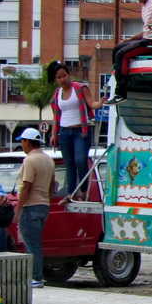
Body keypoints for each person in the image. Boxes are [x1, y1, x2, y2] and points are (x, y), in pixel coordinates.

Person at [48, 61, 103, 200]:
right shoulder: (57, 93)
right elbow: (56, 115)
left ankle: (83, 191)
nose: (62, 79)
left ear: (69, 74)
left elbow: (91, 104)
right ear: (56, 79)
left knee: (80, 160)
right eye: (59, 77)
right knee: (69, 163)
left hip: (81, 131)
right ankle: (70, 193)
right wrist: (54, 133)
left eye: (64, 76)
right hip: (64, 132)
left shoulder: (80, 88)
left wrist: (100, 103)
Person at [13, 128, 55, 288]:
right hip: (43, 204)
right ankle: (31, 276)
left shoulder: (30, 161)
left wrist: (18, 208)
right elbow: (52, 185)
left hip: (31, 206)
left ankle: (35, 277)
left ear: (28, 142)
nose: (21, 145)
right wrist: (47, 200)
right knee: (32, 242)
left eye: (22, 141)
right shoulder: (48, 159)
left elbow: (26, 186)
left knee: (32, 243)